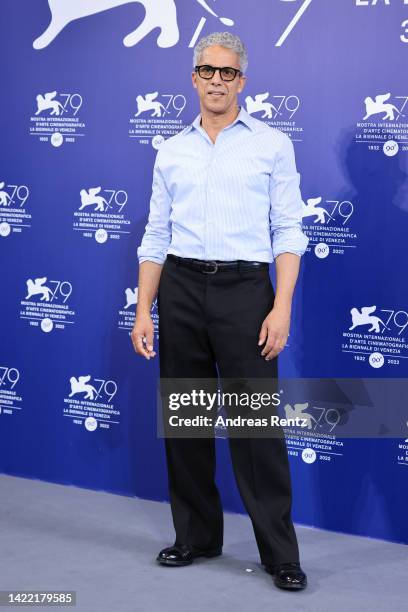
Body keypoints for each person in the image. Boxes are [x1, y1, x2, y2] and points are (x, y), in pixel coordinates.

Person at [132, 31, 309, 591]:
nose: (216, 80)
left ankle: (280, 553)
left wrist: (280, 308)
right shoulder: (171, 149)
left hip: (245, 292)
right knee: (186, 421)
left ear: (242, 81)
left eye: (227, 72)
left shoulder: (272, 144)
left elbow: (288, 231)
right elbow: (155, 235)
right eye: (207, 70)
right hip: (180, 287)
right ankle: (196, 537)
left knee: (255, 426)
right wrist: (144, 311)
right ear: (193, 77)